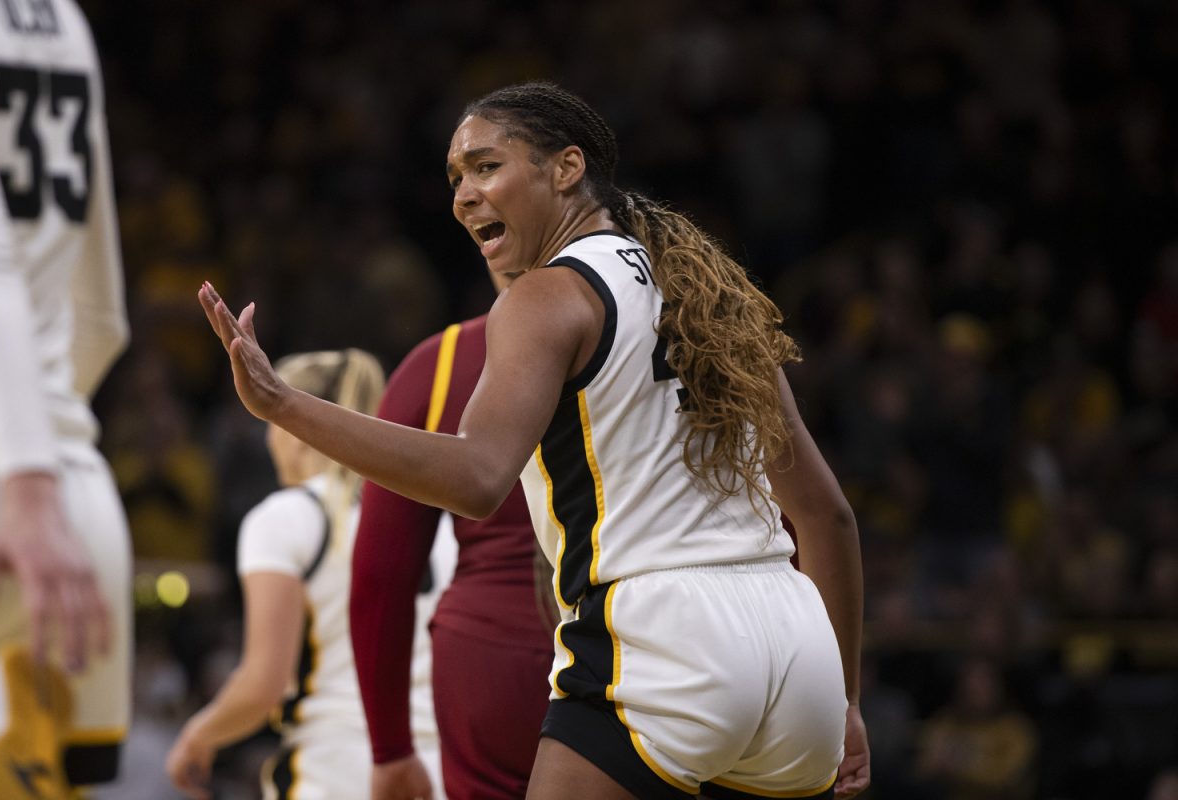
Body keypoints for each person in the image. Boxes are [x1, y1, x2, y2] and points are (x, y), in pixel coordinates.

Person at [200, 80, 871, 799]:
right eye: (456, 177)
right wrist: (846, 702)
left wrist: (282, 404)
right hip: (797, 647)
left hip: (665, 638)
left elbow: (478, 479)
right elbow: (827, 516)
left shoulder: (546, 295)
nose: (463, 195)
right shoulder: (716, 301)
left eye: (486, 167)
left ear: (567, 168)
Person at [0, 0, 132, 795]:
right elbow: (101, 315)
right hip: (80, 495)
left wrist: (24, 478)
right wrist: (53, 442)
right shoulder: (62, 19)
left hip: (20, 486)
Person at [166, 349, 397, 800]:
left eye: (270, 422)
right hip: (432, 771)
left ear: (296, 428)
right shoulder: (425, 518)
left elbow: (263, 683)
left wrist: (198, 734)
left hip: (333, 767)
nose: (269, 441)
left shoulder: (286, 517)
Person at [351, 291, 556, 800]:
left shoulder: (441, 363)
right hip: (635, 647)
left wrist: (390, 748)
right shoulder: (668, 334)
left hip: (489, 659)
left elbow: (381, 576)